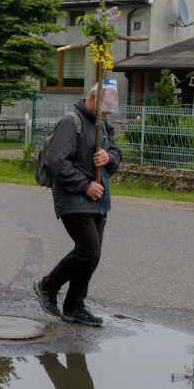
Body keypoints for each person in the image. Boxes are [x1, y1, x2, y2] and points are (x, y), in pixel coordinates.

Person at [34, 80, 122, 327]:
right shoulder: (70, 122)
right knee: (89, 250)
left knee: (92, 256)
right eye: (105, 108)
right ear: (92, 99)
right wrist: (85, 186)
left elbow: (117, 157)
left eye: (110, 110)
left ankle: (74, 305)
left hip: (99, 201)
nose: (107, 114)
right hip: (74, 198)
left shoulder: (103, 125)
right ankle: (48, 286)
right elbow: (57, 162)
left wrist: (108, 157)